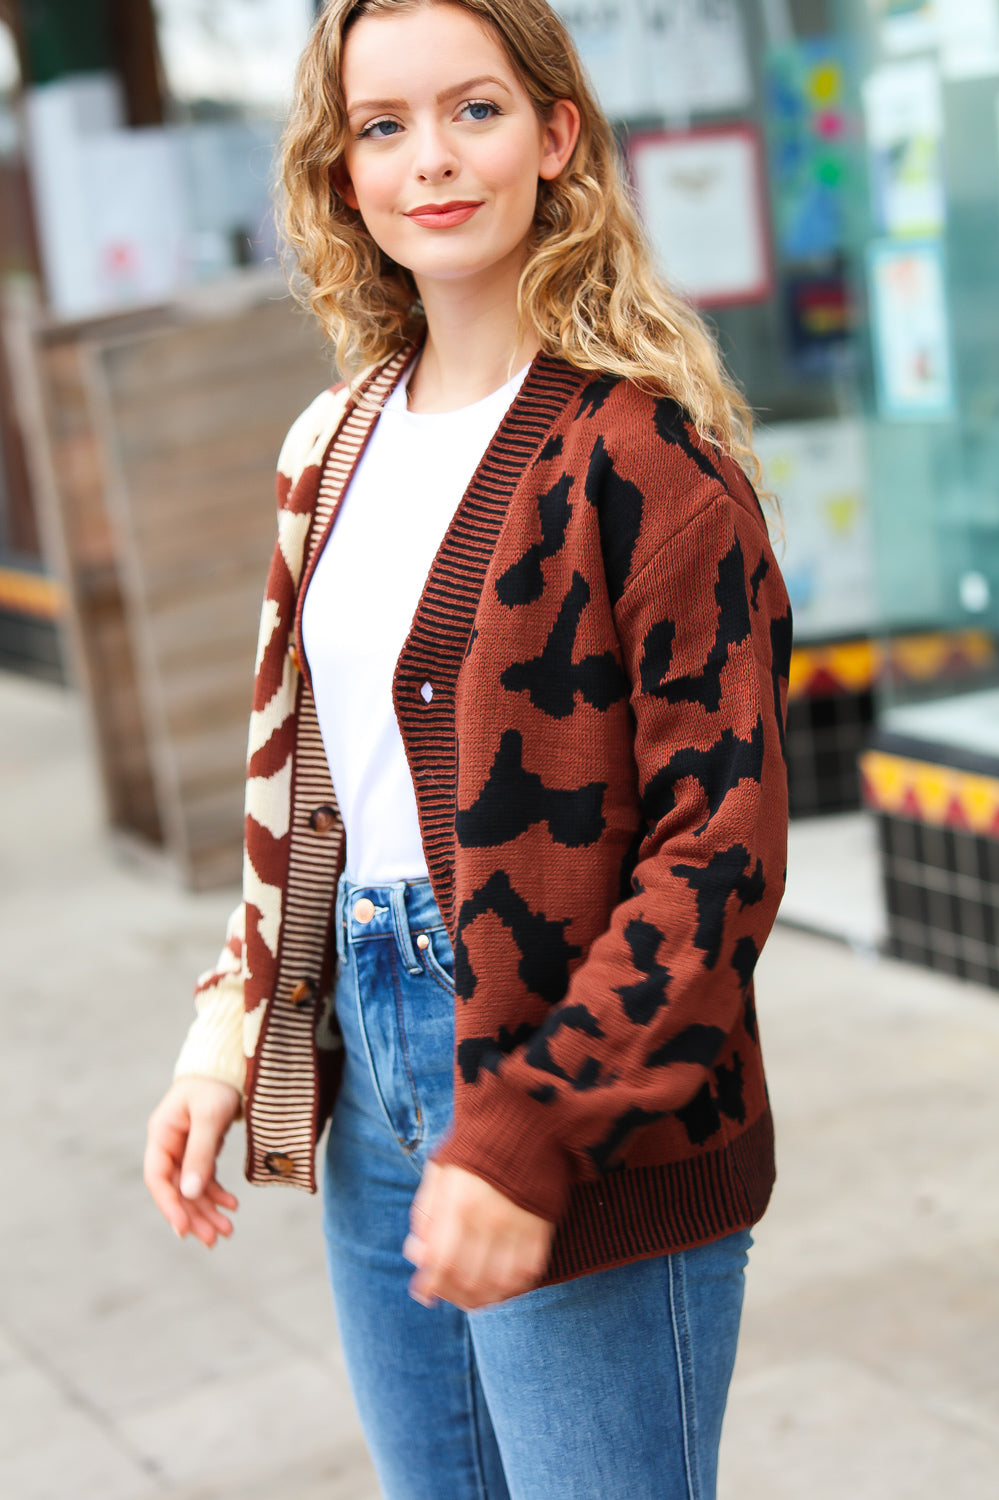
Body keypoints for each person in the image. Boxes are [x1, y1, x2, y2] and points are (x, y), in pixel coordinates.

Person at [144, 2, 792, 1496]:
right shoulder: (333, 442)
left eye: (476, 111)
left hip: (589, 1095)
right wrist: (228, 1036)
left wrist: (529, 1124)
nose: (429, 160)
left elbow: (722, 849)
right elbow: (303, 793)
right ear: (341, 170)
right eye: (384, 126)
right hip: (375, 1096)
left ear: (558, 136)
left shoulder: (649, 462)